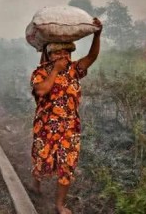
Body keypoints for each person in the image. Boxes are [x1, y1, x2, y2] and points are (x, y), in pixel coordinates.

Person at [29, 18, 102, 214]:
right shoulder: (40, 73)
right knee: (42, 159)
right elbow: (42, 91)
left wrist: (97, 34)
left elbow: (92, 57)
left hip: (69, 127)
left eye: (67, 52)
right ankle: (36, 183)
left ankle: (59, 204)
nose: (63, 55)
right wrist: (56, 71)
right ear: (50, 54)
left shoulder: (74, 70)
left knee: (67, 165)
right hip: (46, 126)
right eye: (58, 52)